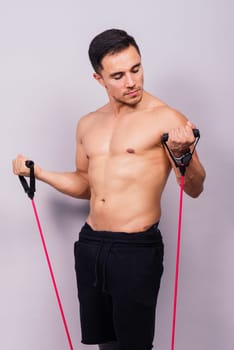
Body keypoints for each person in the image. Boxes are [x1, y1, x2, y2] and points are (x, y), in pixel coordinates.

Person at [12, 29, 206, 350]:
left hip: (135, 249)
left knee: (134, 346)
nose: (131, 82)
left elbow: (194, 188)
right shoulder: (88, 123)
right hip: (91, 245)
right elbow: (85, 184)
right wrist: (40, 173)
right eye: (118, 75)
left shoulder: (166, 118)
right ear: (99, 78)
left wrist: (183, 153)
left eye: (136, 69)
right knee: (106, 344)